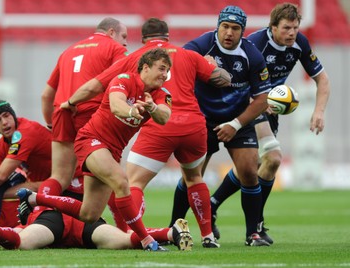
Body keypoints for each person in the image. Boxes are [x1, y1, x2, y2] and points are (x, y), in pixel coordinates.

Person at [17, 48, 173, 251]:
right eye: (161, 68)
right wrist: (133, 110)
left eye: (167, 70)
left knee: (88, 214)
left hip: (112, 151)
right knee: (121, 181)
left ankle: (34, 198)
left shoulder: (161, 95)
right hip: (91, 140)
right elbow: (117, 106)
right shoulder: (124, 79)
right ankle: (146, 240)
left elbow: (164, 117)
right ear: (145, 67)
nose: (165, 74)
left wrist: (152, 108)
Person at [97, 18, 230, 248]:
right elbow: (224, 80)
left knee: (135, 182)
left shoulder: (136, 58)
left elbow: (100, 83)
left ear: (143, 39)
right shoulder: (188, 54)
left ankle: (133, 234)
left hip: (160, 123)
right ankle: (208, 236)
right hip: (193, 126)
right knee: (194, 178)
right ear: (167, 37)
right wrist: (212, 64)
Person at [208, 2, 331, 245]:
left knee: (258, 166)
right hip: (247, 104)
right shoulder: (255, 44)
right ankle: (255, 228)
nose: (292, 33)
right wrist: (261, 101)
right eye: (286, 28)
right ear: (272, 27)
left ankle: (214, 205)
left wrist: (319, 111)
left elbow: (323, 79)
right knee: (273, 157)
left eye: (295, 27)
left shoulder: (300, 43)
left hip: (268, 107)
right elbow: (239, 82)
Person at [168, 6, 272, 246]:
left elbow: (262, 99)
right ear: (218, 26)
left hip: (237, 120)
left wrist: (235, 124)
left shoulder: (253, 56)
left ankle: (252, 234)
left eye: (235, 28)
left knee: (248, 170)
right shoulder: (200, 46)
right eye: (225, 26)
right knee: (192, 176)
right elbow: (177, 66)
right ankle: (173, 227)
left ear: (242, 32)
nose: (228, 33)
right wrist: (199, 64)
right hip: (201, 119)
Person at [40, 17, 128, 196]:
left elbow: (46, 95)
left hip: (61, 112)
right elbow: (122, 80)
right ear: (111, 32)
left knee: (59, 177)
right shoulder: (115, 49)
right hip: (91, 115)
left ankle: (38, 211)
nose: (125, 43)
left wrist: (51, 123)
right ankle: (122, 224)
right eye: (124, 36)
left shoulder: (68, 51)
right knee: (109, 176)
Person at [0, 100, 52, 227]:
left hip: (65, 183)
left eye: (6, 115)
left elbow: (1, 175)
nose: (4, 122)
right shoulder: (2, 145)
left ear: (13, 115)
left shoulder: (26, 131)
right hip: (40, 186)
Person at [0, 210, 192, 251]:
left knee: (23, 241)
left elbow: (19, 232)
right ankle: (171, 233)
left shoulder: (35, 208)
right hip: (83, 219)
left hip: (52, 218)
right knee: (125, 240)